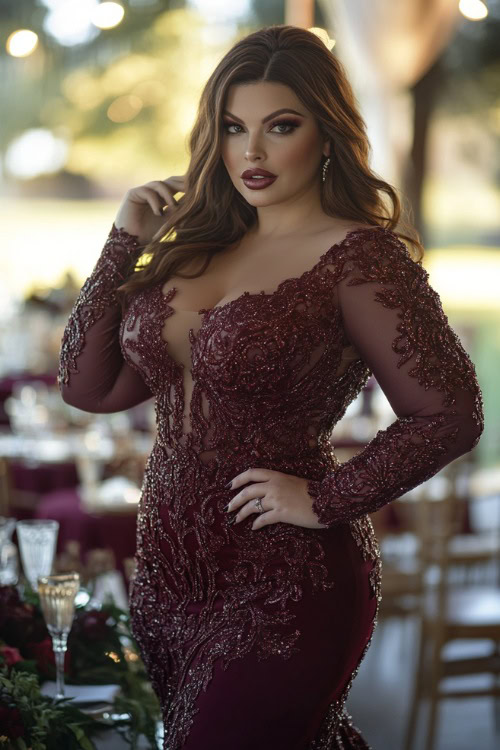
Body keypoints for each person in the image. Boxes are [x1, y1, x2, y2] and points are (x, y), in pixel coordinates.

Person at [58, 24, 484, 750]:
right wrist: (124, 241)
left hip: (285, 580)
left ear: (326, 134)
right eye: (233, 128)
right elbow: (89, 386)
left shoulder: (358, 257)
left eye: (279, 127)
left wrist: (324, 498)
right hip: (168, 580)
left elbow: (450, 413)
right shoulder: (197, 247)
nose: (251, 153)